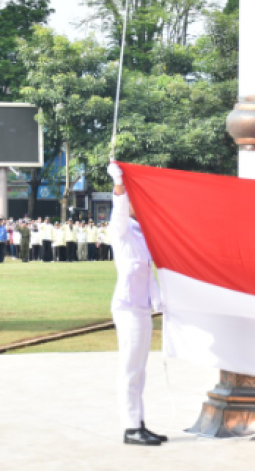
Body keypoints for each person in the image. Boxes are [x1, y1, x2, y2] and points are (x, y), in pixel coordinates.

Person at [106, 161, 165, 446]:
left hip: (142, 307)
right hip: (128, 306)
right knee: (130, 367)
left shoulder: (143, 234)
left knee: (140, 369)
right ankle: (130, 427)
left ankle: (139, 422)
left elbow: (149, 269)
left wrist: (159, 302)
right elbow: (118, 212)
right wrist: (119, 185)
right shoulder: (122, 231)